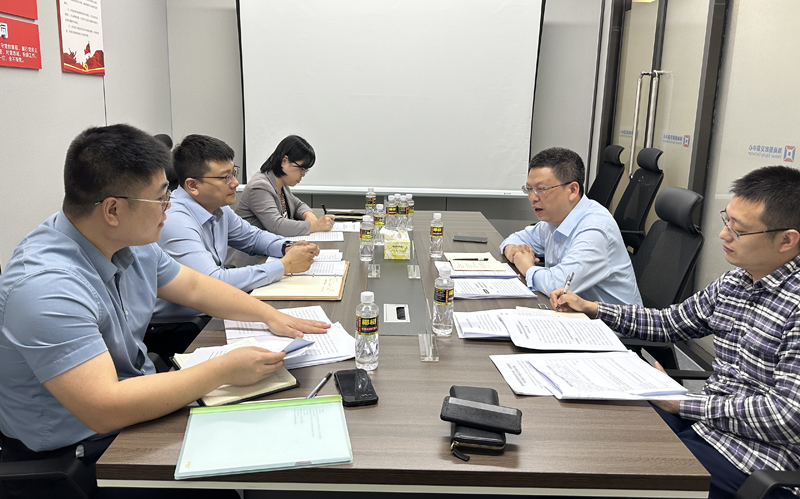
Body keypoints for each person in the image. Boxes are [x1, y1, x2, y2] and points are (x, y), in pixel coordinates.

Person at [0, 124, 329, 498]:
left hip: (130, 407)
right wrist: (223, 370)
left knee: (260, 439)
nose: (169, 208)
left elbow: (195, 287)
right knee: (227, 483)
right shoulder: (46, 287)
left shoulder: (128, 239)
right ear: (113, 209)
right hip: (80, 455)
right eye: (161, 199)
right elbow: (105, 408)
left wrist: (269, 315)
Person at [552, 165, 800, 499]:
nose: (723, 235)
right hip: (705, 426)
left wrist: (684, 403)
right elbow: (670, 323)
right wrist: (592, 308)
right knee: (593, 427)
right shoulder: (736, 282)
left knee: (607, 473)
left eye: (738, 230)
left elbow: (787, 416)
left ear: (787, 240)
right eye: (726, 220)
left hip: (756, 460)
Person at [154, 134, 320, 320]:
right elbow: (213, 283)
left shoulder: (218, 208)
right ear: (192, 185)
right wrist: (285, 265)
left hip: (215, 309)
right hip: (183, 325)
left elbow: (253, 237)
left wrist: (286, 247)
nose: (235, 183)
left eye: (234, 173)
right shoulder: (175, 220)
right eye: (225, 177)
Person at [501, 147, 642, 306]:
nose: (532, 198)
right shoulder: (555, 219)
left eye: (541, 189)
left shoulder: (595, 230)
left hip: (608, 321)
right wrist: (512, 250)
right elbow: (515, 238)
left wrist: (526, 265)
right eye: (529, 189)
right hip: (573, 312)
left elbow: (558, 286)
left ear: (573, 190)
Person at [235, 134, 335, 237]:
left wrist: (308, 214)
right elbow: (277, 226)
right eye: (301, 168)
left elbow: (297, 205)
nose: (303, 174)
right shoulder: (259, 187)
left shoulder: (281, 182)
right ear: (284, 161)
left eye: (305, 170)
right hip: (252, 247)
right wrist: (315, 226)